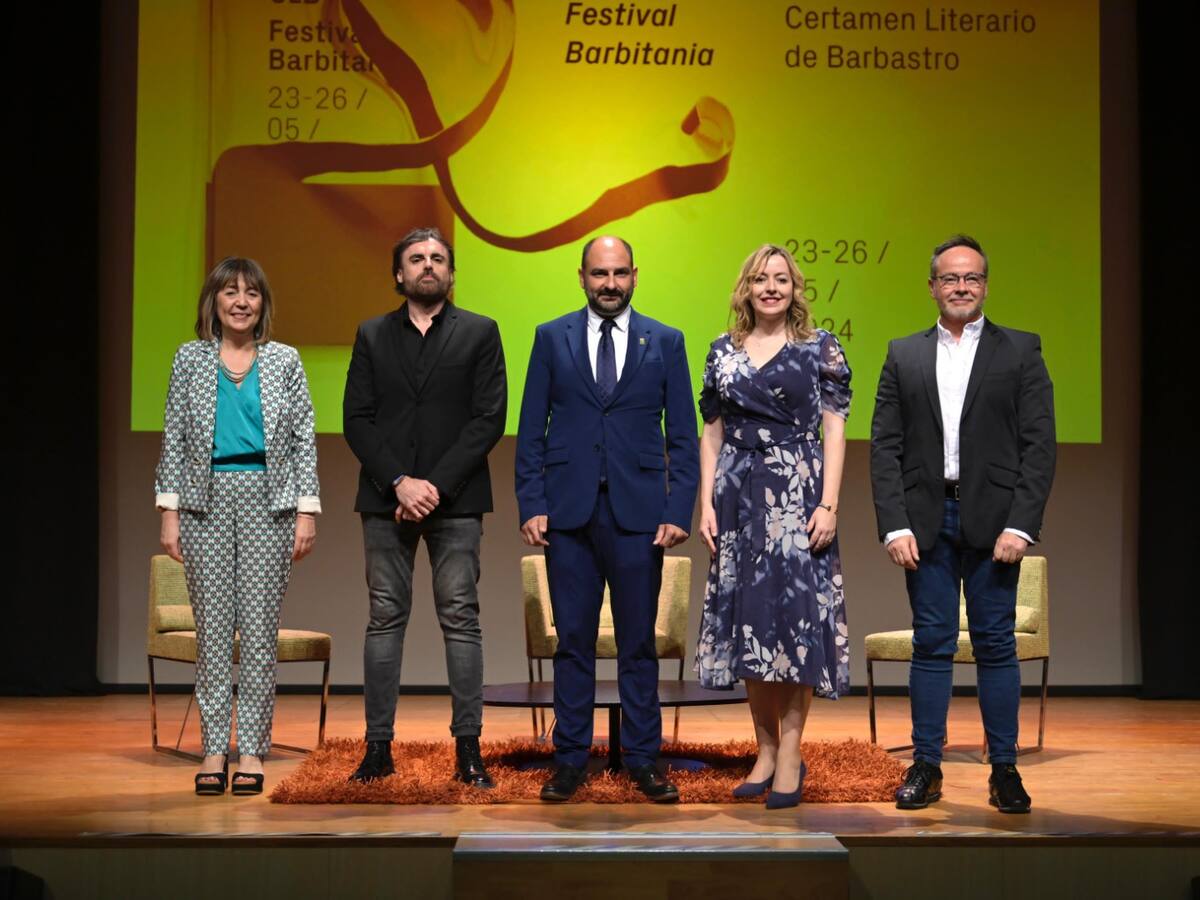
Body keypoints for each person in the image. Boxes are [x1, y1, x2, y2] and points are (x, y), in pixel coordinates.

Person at [870, 234, 1055, 814]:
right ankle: (927, 766)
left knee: (996, 646)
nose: (961, 287)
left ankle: (1004, 770)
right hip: (925, 521)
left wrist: (1022, 525)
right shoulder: (904, 353)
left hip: (995, 521)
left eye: (971, 278)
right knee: (932, 643)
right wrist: (893, 524)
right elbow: (885, 447)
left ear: (985, 285)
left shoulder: (1020, 351)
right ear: (932, 287)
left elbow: (1039, 446)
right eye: (950, 278)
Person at [515, 235, 699, 803]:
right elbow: (530, 429)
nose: (610, 283)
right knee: (572, 643)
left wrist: (677, 509)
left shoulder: (665, 341)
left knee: (638, 644)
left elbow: (684, 438)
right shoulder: (551, 338)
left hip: (640, 515)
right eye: (599, 273)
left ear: (635, 276)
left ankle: (644, 760)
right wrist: (532, 503)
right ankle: (569, 759)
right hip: (568, 513)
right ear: (582, 277)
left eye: (619, 273)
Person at [343, 227, 507, 787]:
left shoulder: (481, 332)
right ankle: (377, 749)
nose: (428, 266)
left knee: (461, 618)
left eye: (438, 258)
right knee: (385, 618)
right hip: (386, 500)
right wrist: (399, 483)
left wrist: (431, 485)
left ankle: (468, 750)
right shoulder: (371, 334)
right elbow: (357, 419)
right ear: (399, 274)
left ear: (452, 274)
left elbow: (489, 418)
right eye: (416, 259)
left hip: (456, 500)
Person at [694, 244, 852, 809]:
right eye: (761, 279)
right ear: (747, 288)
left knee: (795, 625)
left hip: (797, 494)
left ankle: (790, 752)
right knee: (749, 625)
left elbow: (834, 431)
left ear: (794, 288)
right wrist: (706, 504)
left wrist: (828, 504)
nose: (771, 288)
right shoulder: (721, 351)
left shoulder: (819, 348)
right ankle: (762, 750)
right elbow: (711, 432)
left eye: (781, 279)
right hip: (737, 499)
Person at [155, 257, 320, 796]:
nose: (242, 300)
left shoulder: (286, 361)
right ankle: (212, 749)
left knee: (257, 636)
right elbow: (175, 436)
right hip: (203, 504)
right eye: (231, 291)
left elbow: (302, 440)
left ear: (263, 303)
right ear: (215, 301)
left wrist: (305, 511)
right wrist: (169, 512)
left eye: (251, 291)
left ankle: (250, 749)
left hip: (268, 504)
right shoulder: (190, 359)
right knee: (213, 636)